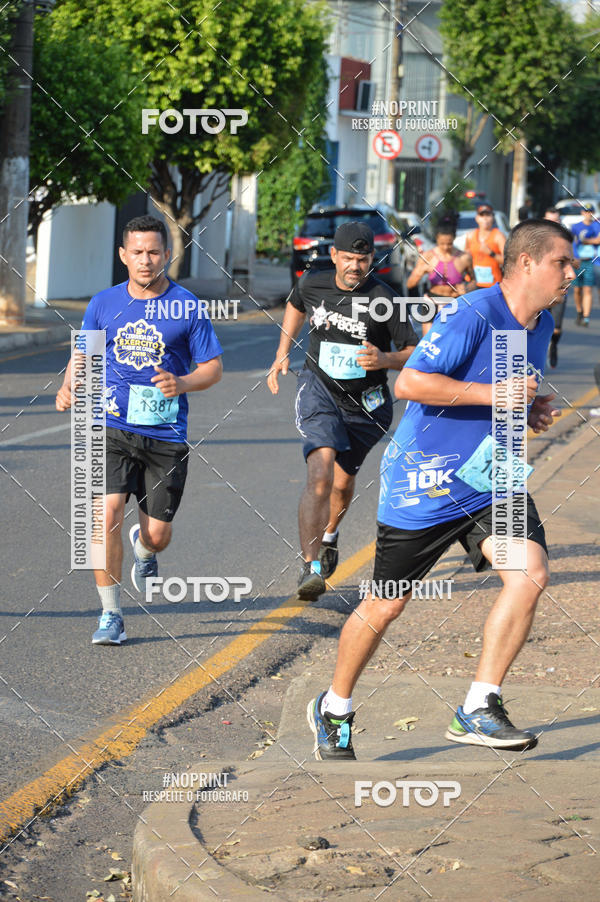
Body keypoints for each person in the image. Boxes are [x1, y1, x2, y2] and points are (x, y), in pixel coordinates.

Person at [307, 218, 574, 759]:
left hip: (491, 478)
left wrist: (528, 408)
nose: (573, 272)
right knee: (386, 605)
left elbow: (504, 388)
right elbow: (410, 383)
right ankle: (334, 707)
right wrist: (495, 394)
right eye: (562, 262)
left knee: (530, 573)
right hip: (424, 481)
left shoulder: (540, 323)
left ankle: (478, 706)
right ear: (527, 263)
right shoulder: (473, 312)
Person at [55, 215, 223, 645]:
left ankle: (145, 549)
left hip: (164, 435)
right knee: (104, 515)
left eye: (153, 252)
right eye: (137, 252)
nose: (145, 260)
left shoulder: (187, 306)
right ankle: (111, 614)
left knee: (158, 535)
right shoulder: (103, 303)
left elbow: (213, 368)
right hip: (111, 425)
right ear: (123, 256)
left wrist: (182, 382)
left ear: (166, 254)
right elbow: (84, 352)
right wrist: (70, 383)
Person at [267, 221, 418, 600]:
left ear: (372, 259)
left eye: (362, 259)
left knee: (341, 483)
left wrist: (385, 359)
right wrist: (282, 352)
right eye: (348, 258)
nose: (355, 266)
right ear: (334, 255)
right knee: (320, 473)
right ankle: (310, 567)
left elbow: (415, 352)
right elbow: (295, 304)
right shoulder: (313, 282)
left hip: (366, 405)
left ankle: (330, 536)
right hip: (319, 389)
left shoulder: (385, 299)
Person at [406, 222, 474, 335]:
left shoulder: (464, 257)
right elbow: (410, 284)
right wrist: (420, 272)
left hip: (454, 301)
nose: (446, 247)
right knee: (428, 341)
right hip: (432, 300)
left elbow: (474, 281)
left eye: (449, 243)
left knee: (451, 339)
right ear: (436, 239)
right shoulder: (428, 256)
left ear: (454, 239)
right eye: (442, 243)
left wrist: (467, 288)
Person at [571, 205, 600, 327]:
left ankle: (586, 317)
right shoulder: (575, 227)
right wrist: (574, 257)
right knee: (577, 290)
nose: (589, 214)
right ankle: (579, 311)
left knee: (588, 289)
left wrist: (584, 241)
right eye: (586, 211)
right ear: (582, 213)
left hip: (591, 261)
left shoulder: (596, 225)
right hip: (578, 261)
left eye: (591, 211)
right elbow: (572, 243)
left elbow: (598, 240)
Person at [465, 204, 506, 290]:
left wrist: (491, 253)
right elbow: (465, 260)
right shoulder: (470, 236)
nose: (485, 218)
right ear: (477, 218)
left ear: (492, 218)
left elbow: (507, 261)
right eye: (482, 215)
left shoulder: (498, 236)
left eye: (488, 215)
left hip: (492, 284)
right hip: (473, 283)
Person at [544, 208, 566, 367]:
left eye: (556, 221)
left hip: (559, 289)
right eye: (550, 221)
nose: (553, 224)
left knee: (556, 328)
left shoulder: (566, 240)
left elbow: (576, 262)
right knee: (535, 325)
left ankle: (554, 346)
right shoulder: (536, 239)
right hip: (539, 290)